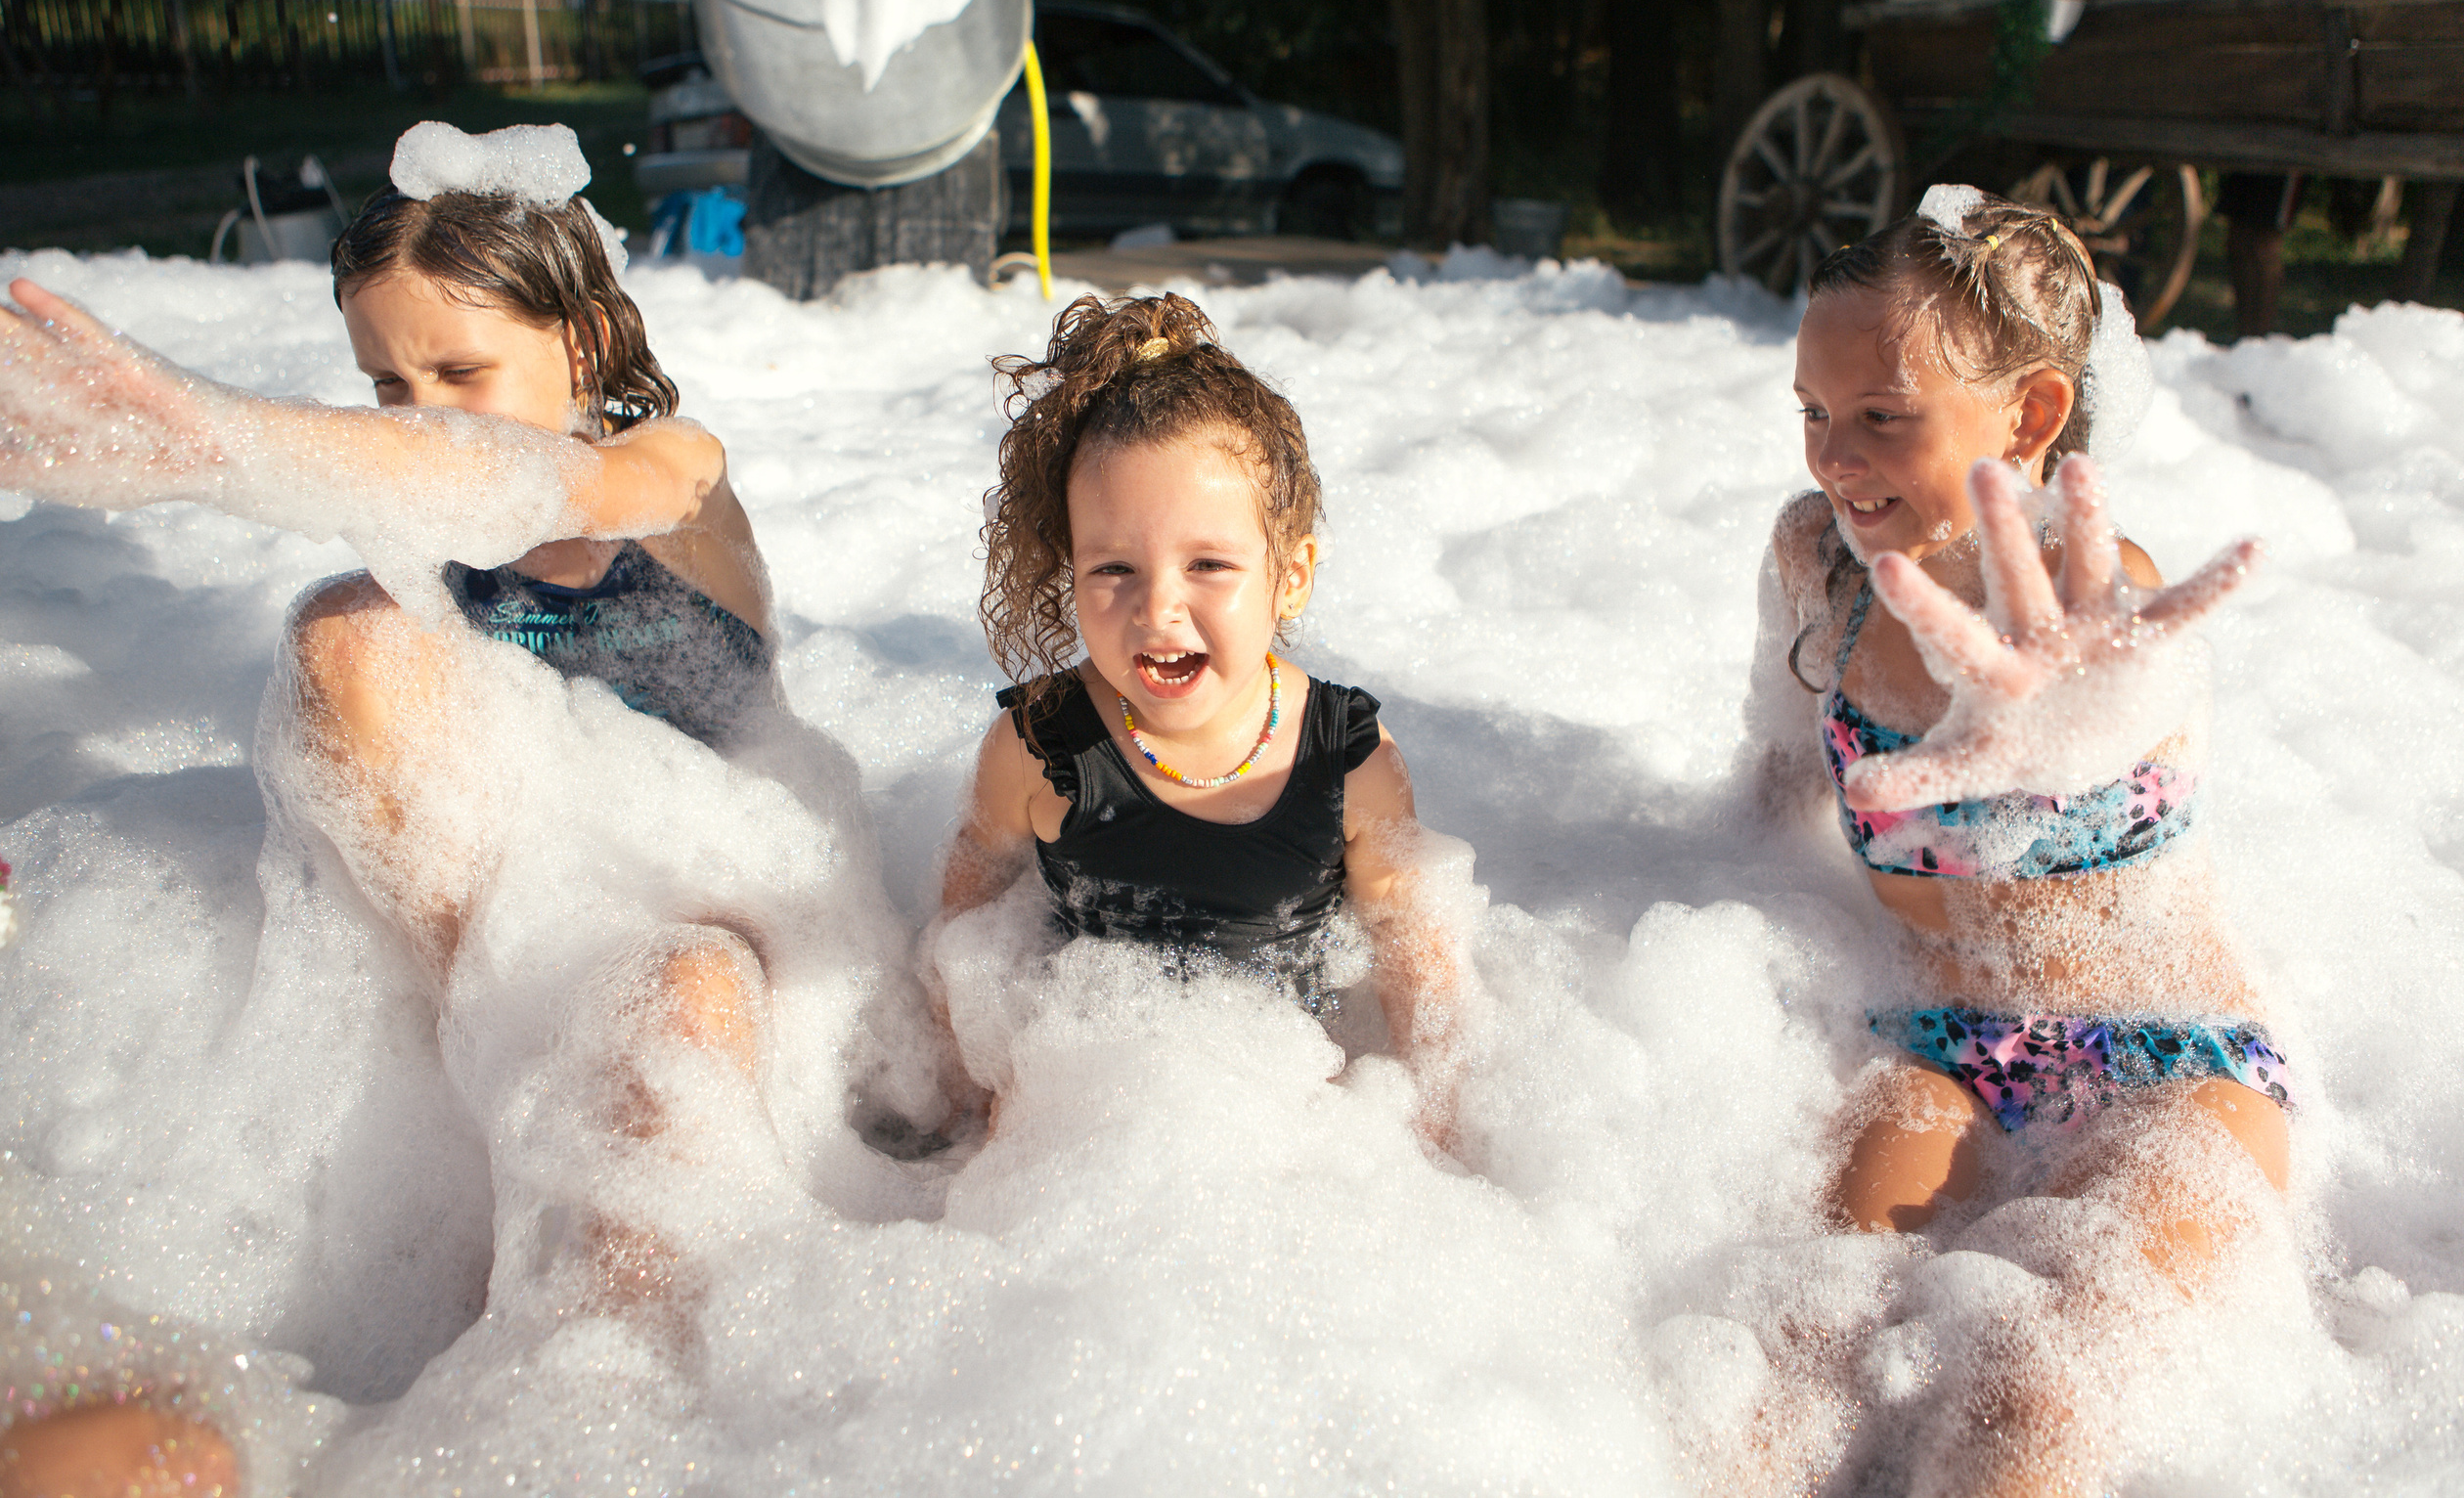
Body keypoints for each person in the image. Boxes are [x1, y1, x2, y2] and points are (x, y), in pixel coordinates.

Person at [0, 123, 829, 1495]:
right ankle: (476, 1098)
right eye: (385, 382)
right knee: (348, 632)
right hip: (487, 962)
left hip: (718, 910)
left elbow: (556, 482)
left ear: (583, 342)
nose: (416, 412)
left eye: (459, 371)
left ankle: (594, 1418)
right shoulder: (423, 532)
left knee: (673, 990)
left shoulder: (677, 471)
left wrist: (209, 438)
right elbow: (429, 486)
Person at [1745, 185, 2287, 1494]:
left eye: (1883, 417)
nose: (1835, 457)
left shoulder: (2097, 595)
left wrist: (2064, 723)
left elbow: (2126, 683)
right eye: (1814, 412)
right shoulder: (1818, 564)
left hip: (2168, 1058)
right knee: (1792, 1362)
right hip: (1939, 1042)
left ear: (2032, 416)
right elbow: (1766, 794)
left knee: (2030, 1400)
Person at [931, 292, 1467, 1136]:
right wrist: (968, 1090)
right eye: (1113, 568)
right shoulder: (1040, 747)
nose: (1158, 608)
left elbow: (1421, 977)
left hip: (1290, 1121)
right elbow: (966, 920)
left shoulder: (1344, 760)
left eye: (1208, 564)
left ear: (1290, 576)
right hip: (1082, 1118)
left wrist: (1434, 1129)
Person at [2220, 0, 2323, 338]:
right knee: (2239, 238)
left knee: (2263, 241)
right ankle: (2247, 336)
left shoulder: (2311, 13)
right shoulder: (2266, 11)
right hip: (2252, 132)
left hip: (2288, 137)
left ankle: (2257, 337)